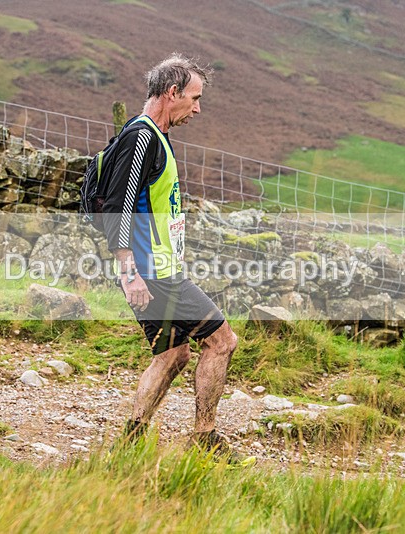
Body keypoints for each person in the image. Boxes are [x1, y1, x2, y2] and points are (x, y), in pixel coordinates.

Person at [101, 53, 244, 460]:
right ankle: (206, 439)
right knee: (221, 340)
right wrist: (130, 272)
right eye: (194, 98)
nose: (198, 109)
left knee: (173, 354)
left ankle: (130, 442)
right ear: (172, 93)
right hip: (152, 272)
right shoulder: (141, 136)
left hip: (155, 269)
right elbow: (116, 207)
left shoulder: (151, 136)